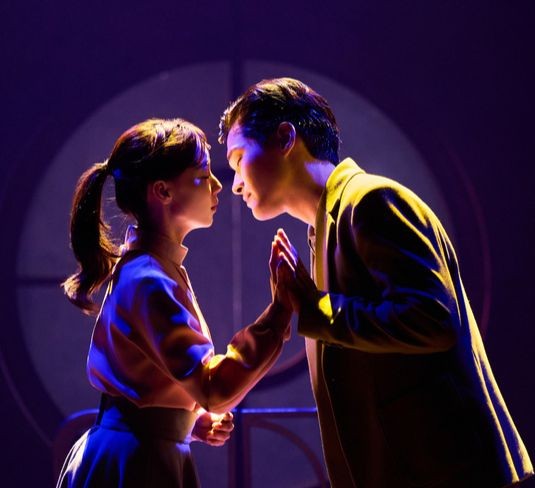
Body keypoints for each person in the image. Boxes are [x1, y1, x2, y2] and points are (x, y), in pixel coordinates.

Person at [219, 78, 534, 487]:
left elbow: (432, 319)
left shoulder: (371, 201)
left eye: (239, 159)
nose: (236, 183)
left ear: (285, 138)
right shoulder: (325, 229)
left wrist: (315, 307)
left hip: (445, 473)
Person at [57, 118, 292, 487]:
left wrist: (185, 420)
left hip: (138, 452)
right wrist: (279, 314)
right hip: (137, 463)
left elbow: (146, 380)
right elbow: (212, 388)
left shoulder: (151, 269)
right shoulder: (149, 279)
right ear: (163, 191)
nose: (218, 185)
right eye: (203, 175)